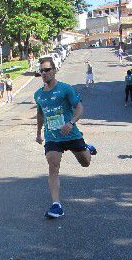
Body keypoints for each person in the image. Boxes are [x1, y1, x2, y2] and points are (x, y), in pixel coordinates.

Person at [35, 56, 97, 218]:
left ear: (54, 70)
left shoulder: (66, 89)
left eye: (47, 70)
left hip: (71, 134)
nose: (44, 73)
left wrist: (71, 122)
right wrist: (38, 133)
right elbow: (40, 114)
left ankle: (87, 148)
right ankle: (57, 205)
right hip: (53, 138)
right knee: (53, 167)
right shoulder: (38, 95)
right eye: (41, 71)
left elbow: (79, 108)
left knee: (86, 163)